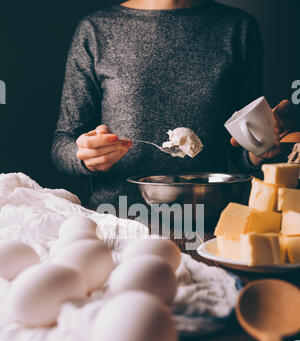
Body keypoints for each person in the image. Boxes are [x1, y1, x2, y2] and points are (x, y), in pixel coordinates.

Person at [51, 0, 297, 210]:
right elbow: (63, 142)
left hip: (209, 220)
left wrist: (258, 150)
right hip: (120, 220)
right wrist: (85, 155)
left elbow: (239, 150)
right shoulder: (95, 30)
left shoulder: (239, 28)